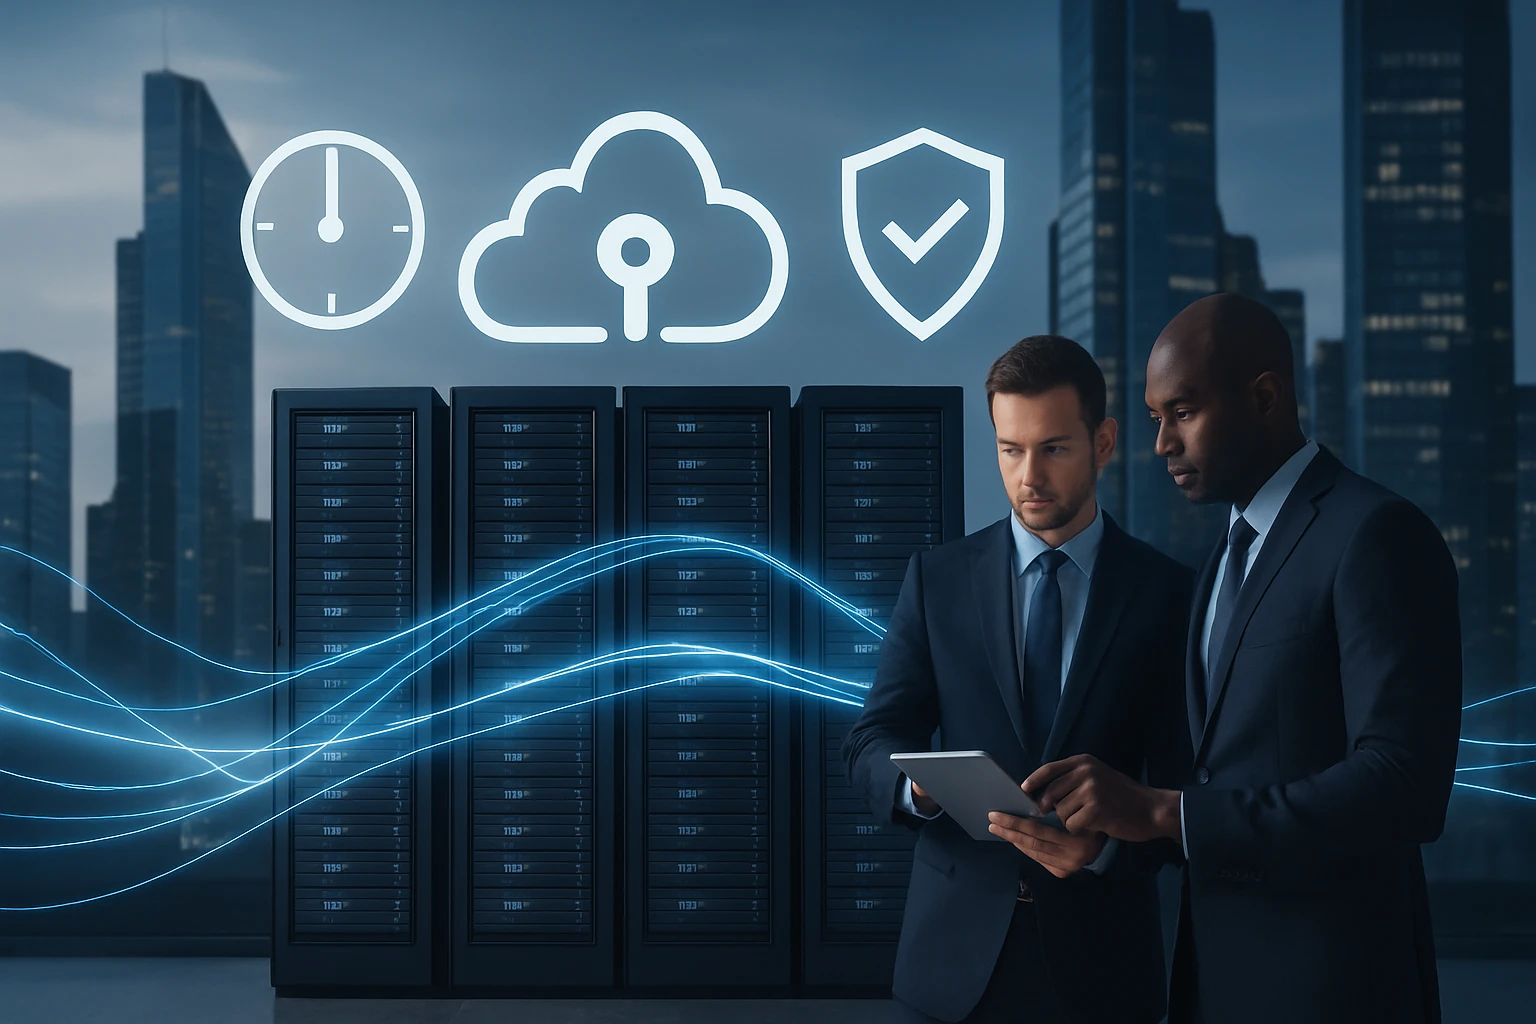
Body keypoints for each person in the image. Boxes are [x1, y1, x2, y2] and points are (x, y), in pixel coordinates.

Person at [1022, 292, 1462, 1024]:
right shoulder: (1215, 565)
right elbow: (1213, 779)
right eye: (1156, 418)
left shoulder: (1376, 535)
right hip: (1213, 984)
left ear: (1265, 397)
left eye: (1183, 413)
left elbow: (1403, 785)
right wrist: (1108, 839)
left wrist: (1168, 812)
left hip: (1336, 991)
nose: (1161, 443)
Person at [842, 334, 1192, 1024]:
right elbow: (870, 739)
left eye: (1053, 449)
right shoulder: (938, 580)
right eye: (1010, 449)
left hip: (1103, 968)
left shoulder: (1169, 595)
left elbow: (1189, 786)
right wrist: (920, 786)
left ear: (1104, 442)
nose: (1029, 476)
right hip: (952, 966)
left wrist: (1103, 851)